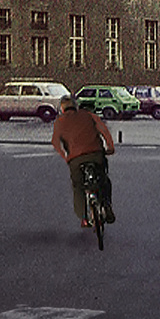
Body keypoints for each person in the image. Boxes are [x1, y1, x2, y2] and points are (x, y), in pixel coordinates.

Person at [51, 95, 116, 227]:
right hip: (96, 154)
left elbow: (56, 143)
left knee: (78, 186)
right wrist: (110, 147)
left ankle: (84, 218)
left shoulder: (59, 122)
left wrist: (66, 157)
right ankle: (107, 204)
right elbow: (104, 130)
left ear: (62, 109)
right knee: (104, 179)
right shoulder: (88, 115)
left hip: (76, 158)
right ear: (76, 106)